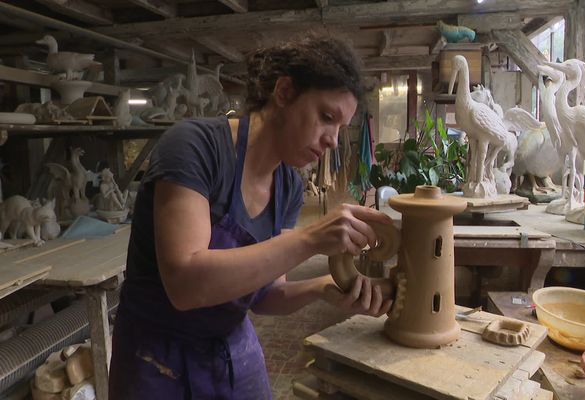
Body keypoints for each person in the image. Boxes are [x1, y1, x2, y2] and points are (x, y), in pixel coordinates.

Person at [108, 35, 394, 399]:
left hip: (229, 349)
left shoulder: (288, 185)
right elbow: (185, 284)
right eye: (326, 117)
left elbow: (266, 294)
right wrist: (308, 240)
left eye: (340, 127)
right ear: (285, 91)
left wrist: (323, 288)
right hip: (156, 356)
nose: (333, 141)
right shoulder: (194, 147)